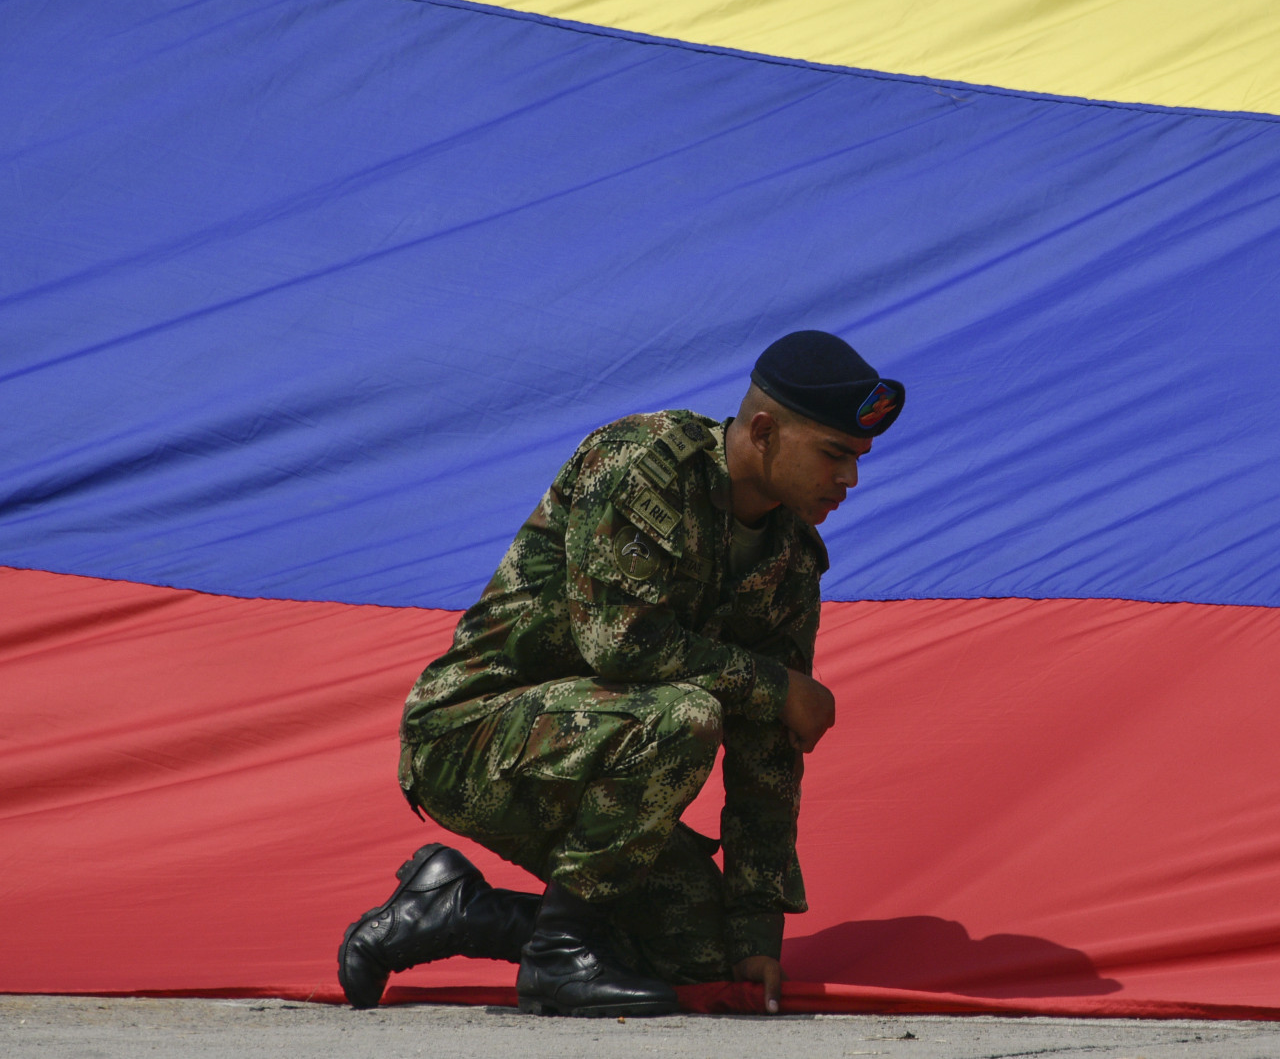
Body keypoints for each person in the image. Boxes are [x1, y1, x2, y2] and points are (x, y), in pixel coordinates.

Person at [336, 331, 905, 1017]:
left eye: (857, 458)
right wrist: (776, 685)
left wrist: (758, 930)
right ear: (763, 430)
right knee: (689, 714)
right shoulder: (643, 463)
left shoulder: (789, 560)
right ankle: (556, 957)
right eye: (834, 454)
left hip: (592, 762)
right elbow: (620, 643)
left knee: (700, 953)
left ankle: (456, 910)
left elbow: (768, 752)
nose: (849, 480)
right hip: (470, 737)